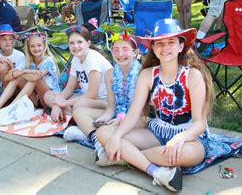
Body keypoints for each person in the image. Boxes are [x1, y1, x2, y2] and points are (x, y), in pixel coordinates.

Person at [96, 19, 214, 192]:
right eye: (159, 43)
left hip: (189, 136)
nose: (164, 48)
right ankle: (156, 171)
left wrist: (180, 138)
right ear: (153, 47)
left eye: (171, 42)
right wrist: (116, 136)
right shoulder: (147, 75)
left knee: (184, 154)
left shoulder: (193, 76)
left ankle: (120, 158)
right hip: (157, 131)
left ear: (181, 46)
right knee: (104, 132)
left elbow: (199, 123)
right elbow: (134, 112)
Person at [71, 32, 143, 161]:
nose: (120, 54)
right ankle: (96, 140)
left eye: (125, 49)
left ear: (135, 52)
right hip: (118, 114)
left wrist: (120, 120)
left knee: (106, 130)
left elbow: (142, 111)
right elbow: (111, 107)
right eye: (116, 50)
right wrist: (103, 119)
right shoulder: (110, 74)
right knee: (79, 112)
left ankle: (93, 134)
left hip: (138, 118)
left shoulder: (143, 73)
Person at [44, 25, 113, 124]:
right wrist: (57, 104)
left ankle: (71, 116)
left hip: (103, 101)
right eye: (72, 43)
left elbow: (92, 94)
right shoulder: (76, 59)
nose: (75, 46)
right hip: (86, 97)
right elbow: (69, 88)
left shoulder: (92, 59)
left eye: (80, 42)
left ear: (88, 43)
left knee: (79, 104)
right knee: (48, 95)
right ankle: (72, 117)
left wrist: (64, 103)